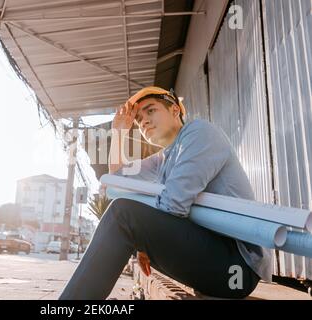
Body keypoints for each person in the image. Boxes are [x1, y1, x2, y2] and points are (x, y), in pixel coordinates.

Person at [59, 87, 272, 300]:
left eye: (150, 111)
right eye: (139, 119)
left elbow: (173, 205)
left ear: (175, 110)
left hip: (237, 271)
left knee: (124, 214)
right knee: (124, 210)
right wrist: (119, 133)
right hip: (217, 265)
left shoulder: (199, 132)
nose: (144, 122)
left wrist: (144, 237)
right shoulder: (163, 159)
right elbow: (116, 181)